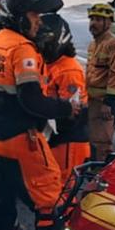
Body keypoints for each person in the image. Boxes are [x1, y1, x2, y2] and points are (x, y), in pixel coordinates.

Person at [0, 0, 77, 230]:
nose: (38, 22)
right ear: (19, 17)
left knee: (1, 205)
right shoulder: (21, 49)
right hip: (22, 140)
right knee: (50, 202)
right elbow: (32, 101)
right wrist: (65, 108)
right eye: (34, 15)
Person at [37, 14, 90, 178]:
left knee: (63, 189)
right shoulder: (48, 64)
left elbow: (72, 114)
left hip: (68, 141)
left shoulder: (67, 70)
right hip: (54, 137)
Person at [86, 2, 115, 161]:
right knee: (91, 142)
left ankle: (100, 178)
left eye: (98, 20)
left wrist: (109, 103)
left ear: (108, 23)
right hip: (91, 102)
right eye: (92, 19)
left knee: (102, 144)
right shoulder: (93, 45)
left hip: (103, 105)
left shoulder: (114, 44)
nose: (93, 24)